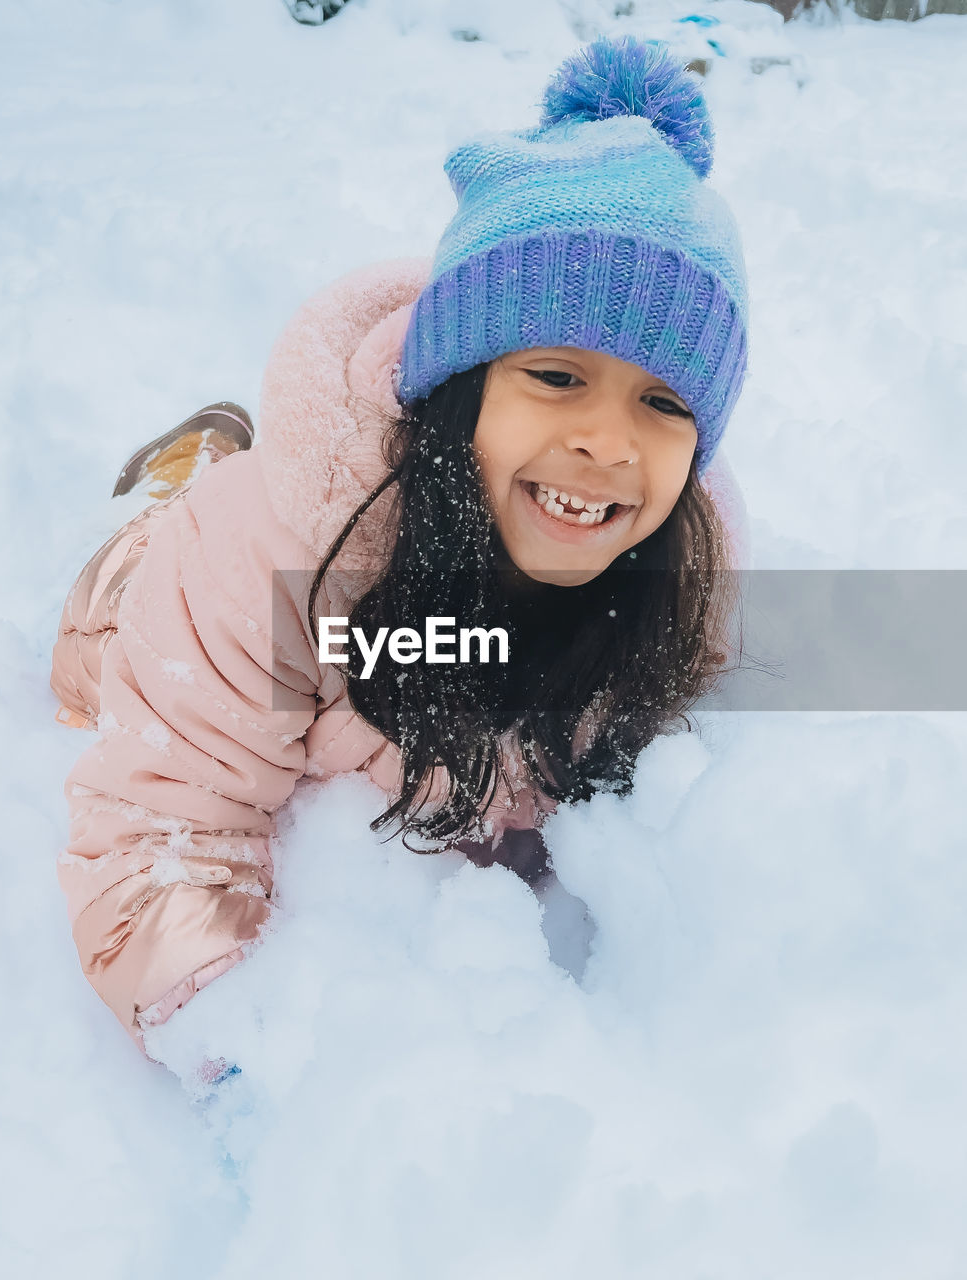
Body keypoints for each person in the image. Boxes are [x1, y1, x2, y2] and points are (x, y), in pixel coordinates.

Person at [51, 33, 751, 1054]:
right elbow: (166, 822)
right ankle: (195, 465)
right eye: (554, 376)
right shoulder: (262, 557)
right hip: (145, 609)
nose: (606, 441)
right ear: (461, 389)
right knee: (109, 616)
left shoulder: (679, 573)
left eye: (660, 401)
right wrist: (241, 1060)